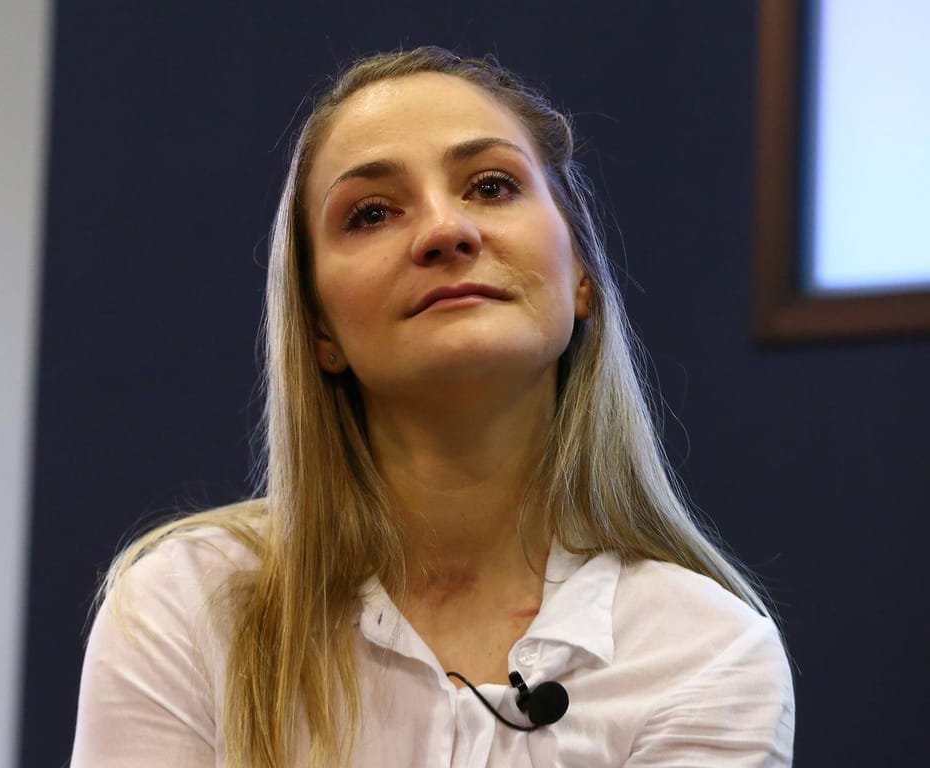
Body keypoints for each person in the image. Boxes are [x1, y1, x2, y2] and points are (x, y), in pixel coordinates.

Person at [70, 46, 794, 767]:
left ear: (580, 273)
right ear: (321, 329)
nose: (447, 231)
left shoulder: (705, 652)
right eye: (373, 212)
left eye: (490, 185)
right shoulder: (186, 606)